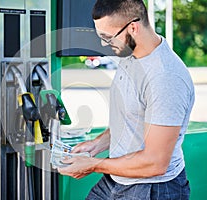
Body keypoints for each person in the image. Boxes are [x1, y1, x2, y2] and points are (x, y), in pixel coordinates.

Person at [58, 0, 195, 199]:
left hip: (153, 188)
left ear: (133, 27)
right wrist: (95, 146)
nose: (104, 44)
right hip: (117, 177)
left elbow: (155, 162)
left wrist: (94, 165)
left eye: (107, 37)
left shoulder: (165, 77)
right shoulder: (129, 56)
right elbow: (132, 119)